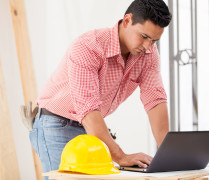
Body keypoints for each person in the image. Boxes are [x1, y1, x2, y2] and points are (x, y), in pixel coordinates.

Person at [29, 0, 172, 176]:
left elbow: (155, 100)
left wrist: (170, 156)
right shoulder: (88, 46)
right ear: (127, 21)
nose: (148, 46)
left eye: (154, 40)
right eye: (144, 37)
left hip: (89, 126)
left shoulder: (148, 54)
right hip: (57, 123)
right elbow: (88, 109)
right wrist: (120, 156)